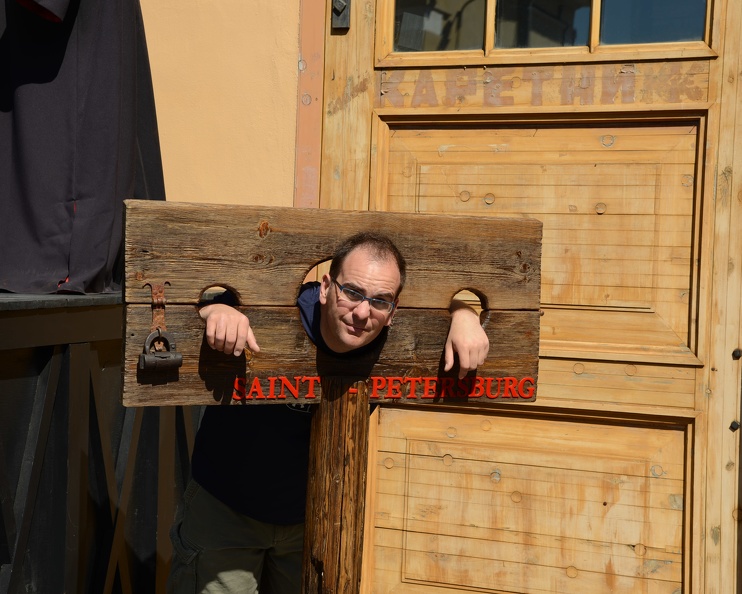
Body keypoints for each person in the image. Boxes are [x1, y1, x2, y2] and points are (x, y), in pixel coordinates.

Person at [168, 231, 489, 594]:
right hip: (226, 511)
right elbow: (203, 298)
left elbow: (459, 302)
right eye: (351, 292)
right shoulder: (280, 308)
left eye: (381, 301)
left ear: (395, 310)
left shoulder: (391, 338)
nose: (363, 312)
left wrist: (465, 313)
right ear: (324, 288)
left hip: (314, 520)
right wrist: (218, 309)